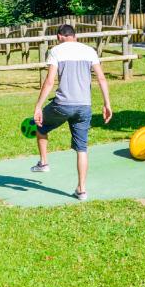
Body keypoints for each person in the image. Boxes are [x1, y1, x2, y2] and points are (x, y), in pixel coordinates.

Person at [31, 24, 113, 201]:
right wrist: (107, 103)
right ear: (74, 36)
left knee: (40, 125)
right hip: (84, 106)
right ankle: (82, 190)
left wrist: (38, 106)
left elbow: (49, 81)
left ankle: (44, 163)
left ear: (60, 36)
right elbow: (101, 78)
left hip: (62, 104)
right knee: (82, 149)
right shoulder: (89, 51)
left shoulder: (56, 51)